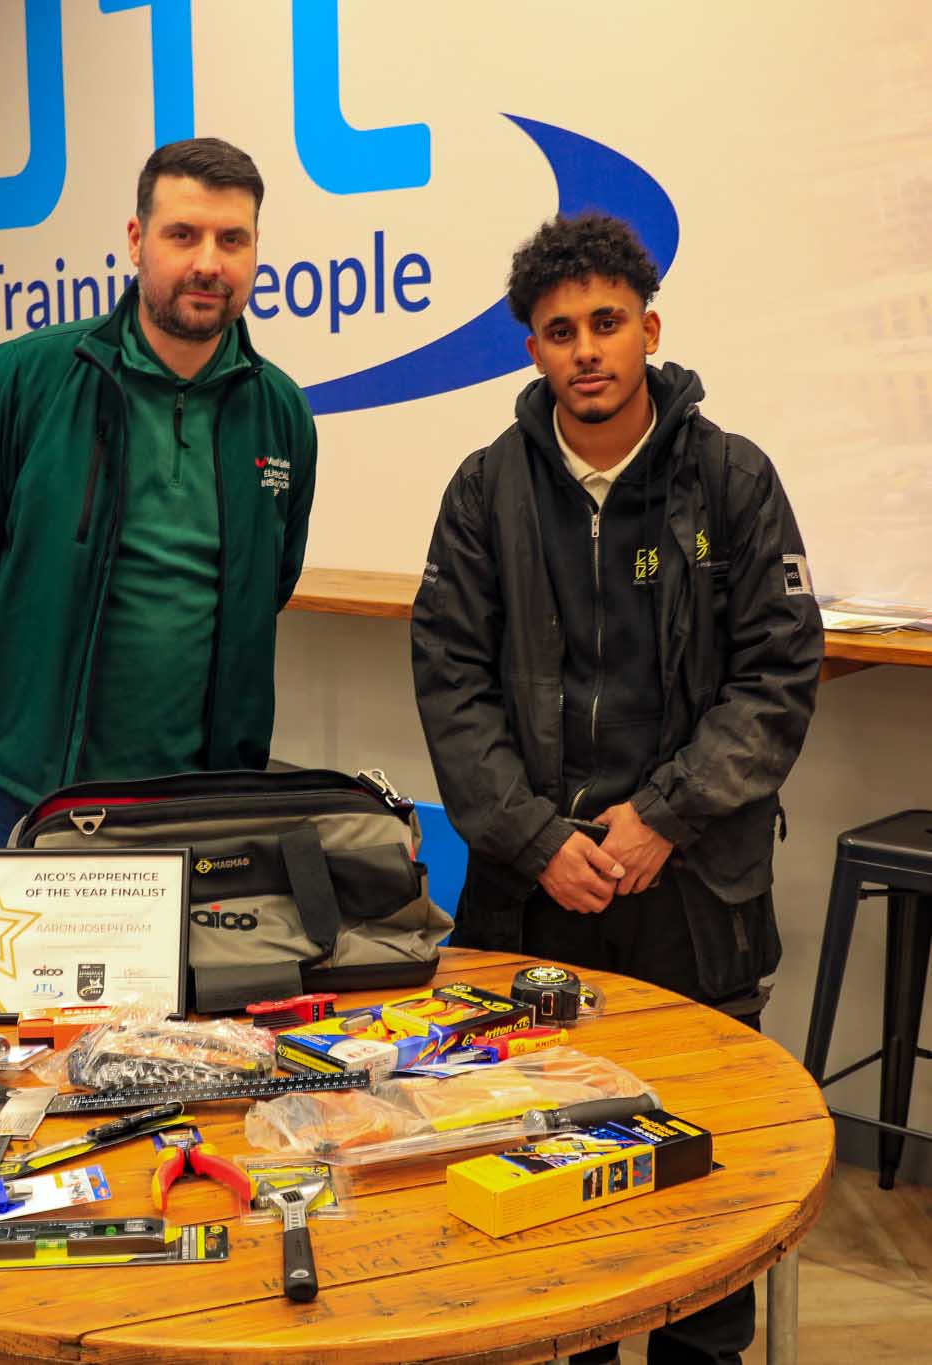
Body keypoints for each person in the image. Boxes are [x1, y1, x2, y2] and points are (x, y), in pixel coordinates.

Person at [412, 212, 822, 1364]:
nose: (586, 350)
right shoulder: (484, 491)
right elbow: (448, 682)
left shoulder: (733, 479)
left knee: (706, 1193)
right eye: (558, 332)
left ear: (649, 328)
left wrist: (663, 817)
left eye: (606, 324)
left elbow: (778, 676)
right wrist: (537, 838)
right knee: (548, 1198)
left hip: (696, 894)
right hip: (538, 898)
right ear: (530, 351)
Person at [0, 138, 317, 845]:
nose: (207, 263)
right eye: (182, 234)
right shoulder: (25, 378)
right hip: (37, 781)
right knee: (21, 959)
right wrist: (26, 655)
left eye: (232, 239)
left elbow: (269, 582)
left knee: (194, 961)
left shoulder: (280, 412)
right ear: (137, 240)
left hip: (204, 791)